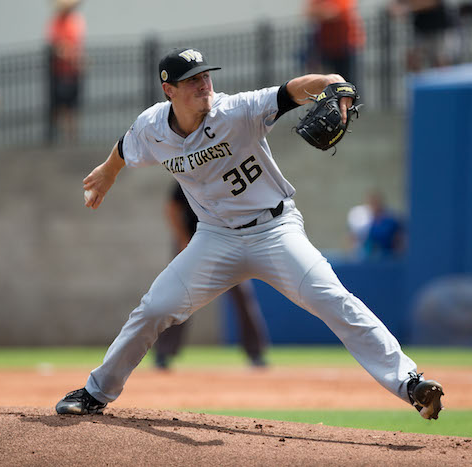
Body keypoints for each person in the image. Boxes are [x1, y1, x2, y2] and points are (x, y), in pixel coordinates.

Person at [55, 47, 445, 420]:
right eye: (192, 80)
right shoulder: (153, 126)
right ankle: (96, 392)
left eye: (206, 76)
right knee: (153, 308)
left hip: (275, 231)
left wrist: (330, 80)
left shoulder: (236, 111)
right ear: (169, 91)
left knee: (334, 300)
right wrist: (109, 170)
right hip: (215, 238)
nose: (204, 84)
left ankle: (410, 383)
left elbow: (289, 92)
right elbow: (126, 145)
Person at [154, 182, 269, 369]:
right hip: (192, 242)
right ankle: (164, 353)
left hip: (225, 244)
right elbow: (172, 208)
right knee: (178, 298)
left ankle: (255, 352)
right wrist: (183, 239)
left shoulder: (225, 177)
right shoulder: (188, 176)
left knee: (242, 296)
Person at [46, 0, 86, 142]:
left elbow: (75, 45)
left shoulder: (76, 21)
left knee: (72, 106)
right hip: (59, 71)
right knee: (59, 105)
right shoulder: (56, 22)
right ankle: (58, 137)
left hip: (72, 70)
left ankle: (71, 137)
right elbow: (55, 45)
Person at [304, 0, 366, 83]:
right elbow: (309, 12)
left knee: (348, 82)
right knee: (327, 82)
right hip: (326, 46)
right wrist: (324, 10)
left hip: (345, 45)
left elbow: (335, 11)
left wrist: (320, 11)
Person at [389, 0, 458, 72]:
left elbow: (432, 3)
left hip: (439, 28)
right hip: (421, 29)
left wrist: (409, 7)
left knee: (441, 62)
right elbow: (395, 6)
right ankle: (418, 81)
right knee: (413, 59)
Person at [347, 191, 405, 260]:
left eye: (376, 203)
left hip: (387, 258)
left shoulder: (391, 221)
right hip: (366, 258)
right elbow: (352, 239)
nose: (374, 206)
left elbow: (398, 240)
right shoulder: (362, 222)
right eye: (372, 203)